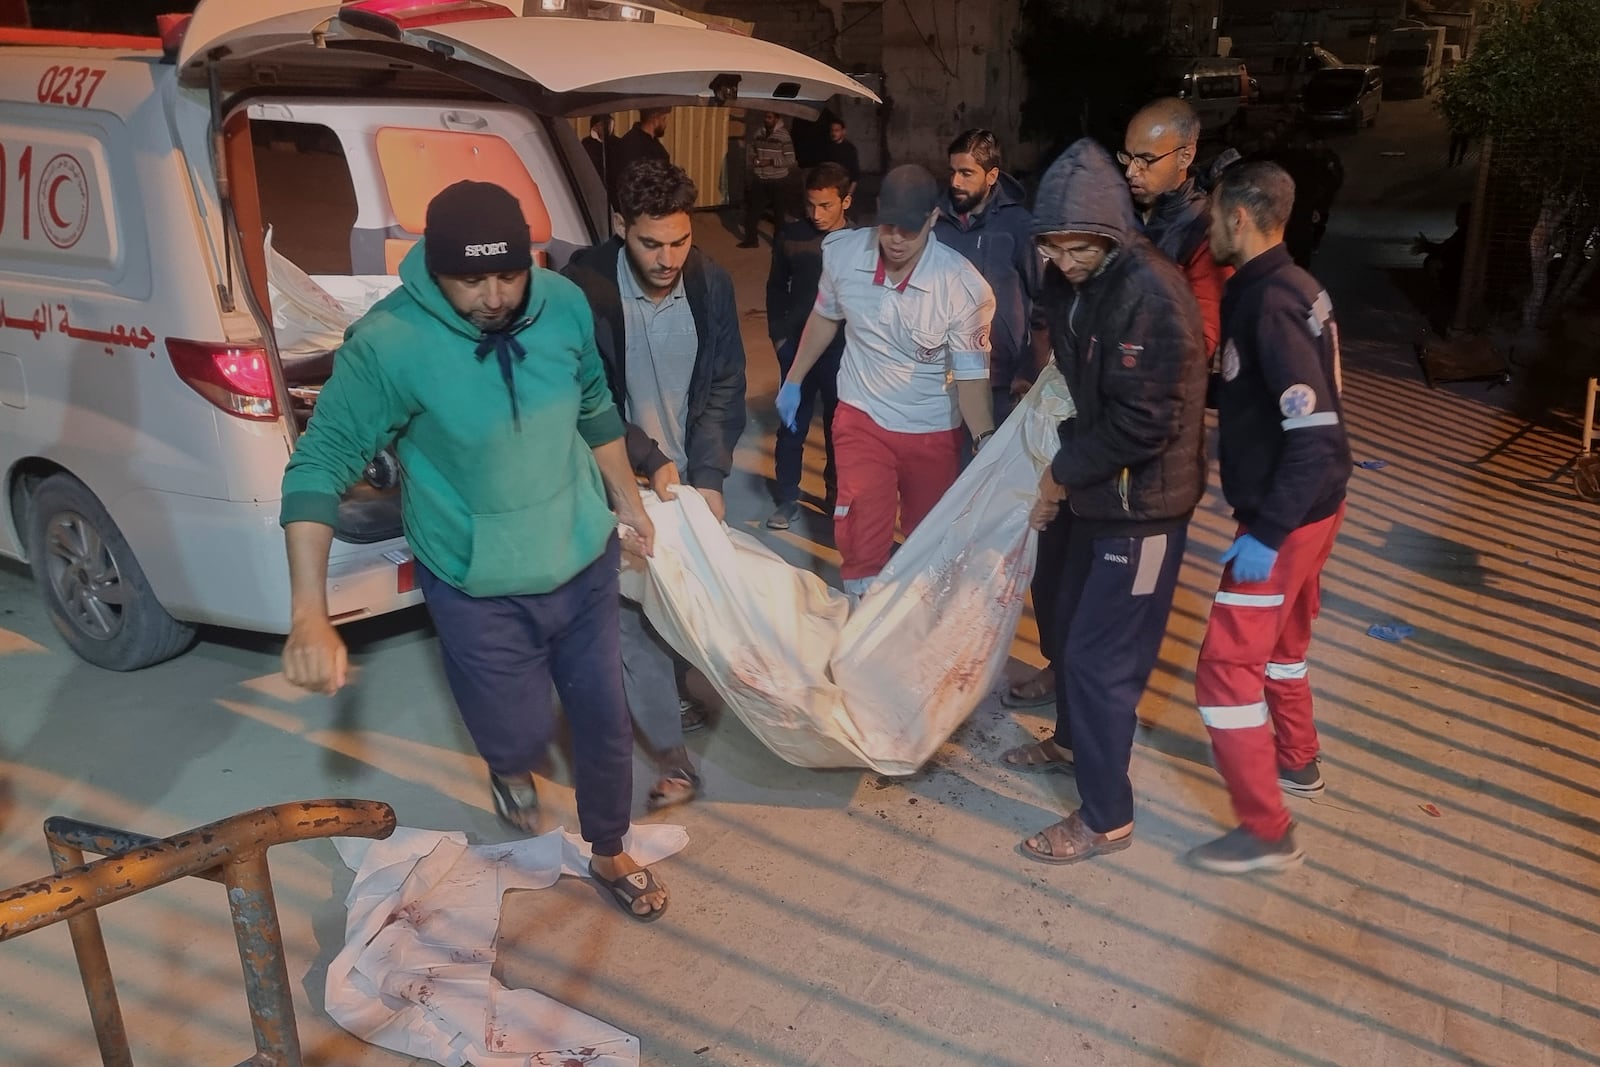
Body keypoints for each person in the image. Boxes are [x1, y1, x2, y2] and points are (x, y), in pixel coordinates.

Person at [279, 181, 668, 920]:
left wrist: (628, 498)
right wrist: (308, 613)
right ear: (434, 266)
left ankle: (610, 845)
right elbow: (318, 466)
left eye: (509, 273)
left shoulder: (562, 303)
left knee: (605, 716)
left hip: (580, 553)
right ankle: (508, 764)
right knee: (518, 729)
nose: (494, 296)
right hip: (475, 579)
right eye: (471, 279)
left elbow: (591, 400)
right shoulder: (389, 345)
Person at [1005, 140, 1207, 866]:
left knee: (1098, 661)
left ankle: (1107, 816)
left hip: (1144, 507)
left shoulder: (1150, 293)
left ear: (1113, 232)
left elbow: (1146, 421)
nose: (1063, 260)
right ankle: (1068, 740)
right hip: (1098, 493)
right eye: (1052, 247)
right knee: (1059, 618)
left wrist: (1059, 472)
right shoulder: (1073, 284)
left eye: (1078, 247)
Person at [1005, 98, 1231, 711]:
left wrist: (1123, 342)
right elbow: (1071, 320)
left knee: (1103, 637)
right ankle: (1065, 676)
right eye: (1126, 155)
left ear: (1185, 157)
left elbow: (1193, 353)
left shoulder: (1195, 240)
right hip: (1092, 434)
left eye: (1146, 158)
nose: (1132, 170)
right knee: (1058, 580)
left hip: (1137, 462)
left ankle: (1084, 715)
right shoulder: (1102, 218)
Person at [564, 160, 747, 811]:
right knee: (633, 617)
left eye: (679, 240)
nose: (668, 258)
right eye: (650, 244)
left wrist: (710, 474)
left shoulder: (709, 281)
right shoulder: (581, 291)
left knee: (689, 601)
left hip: (684, 484)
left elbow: (723, 381)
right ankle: (673, 759)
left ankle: (681, 688)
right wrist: (636, 472)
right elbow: (578, 400)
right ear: (621, 227)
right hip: (613, 479)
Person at [1187, 161, 1352, 874]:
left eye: (1215, 213)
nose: (1208, 226)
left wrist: (1265, 532)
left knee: (1225, 672)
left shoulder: (1268, 303)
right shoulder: (1291, 284)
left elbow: (1312, 433)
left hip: (1285, 517)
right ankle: (1299, 758)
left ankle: (1265, 829)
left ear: (1242, 218)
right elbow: (1260, 390)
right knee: (1284, 645)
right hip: (1316, 512)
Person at [777, 164, 996, 597]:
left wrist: (985, 437)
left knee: (926, 538)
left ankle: (912, 626)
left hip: (931, 427)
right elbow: (825, 315)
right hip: (861, 413)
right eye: (888, 226)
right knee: (859, 528)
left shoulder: (963, 289)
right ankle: (862, 617)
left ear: (933, 219)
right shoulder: (842, 254)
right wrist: (794, 379)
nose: (895, 239)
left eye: (909, 230)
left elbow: (972, 379)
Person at [934, 129, 1045, 430]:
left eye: (967, 173)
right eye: (953, 172)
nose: (956, 182)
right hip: (942, 379)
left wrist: (1030, 367)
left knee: (993, 471)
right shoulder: (934, 223)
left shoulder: (1018, 225)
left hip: (1001, 380)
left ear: (992, 175)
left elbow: (1045, 299)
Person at [765, 162, 853, 530]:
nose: (816, 215)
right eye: (811, 205)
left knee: (841, 428)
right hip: (798, 349)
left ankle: (836, 496)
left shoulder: (861, 243)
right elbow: (774, 287)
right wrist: (779, 337)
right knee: (792, 426)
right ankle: (788, 498)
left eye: (826, 206)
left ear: (846, 201)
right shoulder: (791, 236)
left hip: (844, 352)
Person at [742, 111, 798, 248]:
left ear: (777, 118)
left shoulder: (783, 136)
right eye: (765, 117)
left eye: (770, 117)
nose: (766, 120)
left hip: (778, 180)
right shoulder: (759, 133)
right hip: (760, 178)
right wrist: (754, 159)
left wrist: (771, 162)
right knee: (753, 211)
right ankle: (751, 240)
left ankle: (778, 242)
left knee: (779, 214)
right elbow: (752, 150)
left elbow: (790, 159)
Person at [611, 107, 671, 201]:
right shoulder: (632, 145)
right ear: (655, 119)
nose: (666, 124)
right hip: (641, 206)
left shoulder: (652, 142)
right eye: (664, 119)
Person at [582, 114, 619, 207]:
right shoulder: (586, 144)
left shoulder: (617, 143)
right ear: (595, 127)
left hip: (614, 192)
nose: (607, 128)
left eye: (610, 124)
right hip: (594, 190)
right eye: (603, 125)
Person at [821, 118, 862, 190]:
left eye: (836, 130)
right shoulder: (826, 147)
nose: (833, 133)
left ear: (843, 131)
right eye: (832, 130)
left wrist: (849, 194)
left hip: (844, 187)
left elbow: (855, 174)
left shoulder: (850, 149)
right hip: (829, 187)